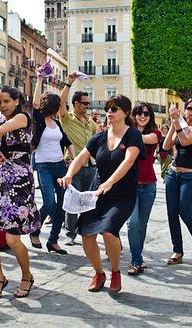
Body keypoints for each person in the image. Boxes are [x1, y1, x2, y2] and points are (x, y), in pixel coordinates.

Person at [58, 95, 145, 293]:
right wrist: (69, 175)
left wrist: (110, 182)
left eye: (114, 109)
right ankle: (99, 273)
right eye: (108, 108)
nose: (110, 112)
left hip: (122, 194)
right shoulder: (99, 136)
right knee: (87, 235)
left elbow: (128, 161)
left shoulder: (132, 135)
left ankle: (115, 272)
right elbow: (80, 157)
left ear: (125, 112)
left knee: (109, 232)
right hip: (98, 192)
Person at [0, 79, 41, 299]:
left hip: (21, 178)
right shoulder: (0, 118)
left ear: (17, 101)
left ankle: (26, 276)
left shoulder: (23, 117)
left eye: (6, 101)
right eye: (0, 102)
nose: (2, 105)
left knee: (13, 238)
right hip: (3, 177)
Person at [29, 71, 75, 254]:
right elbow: (34, 102)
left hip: (59, 166)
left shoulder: (56, 123)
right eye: (58, 105)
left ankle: (53, 240)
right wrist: (40, 79)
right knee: (49, 204)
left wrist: (72, 158)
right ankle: (35, 230)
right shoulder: (39, 120)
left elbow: (66, 141)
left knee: (62, 205)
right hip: (43, 166)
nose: (60, 108)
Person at [162, 99, 192, 265]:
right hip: (173, 175)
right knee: (172, 213)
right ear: (185, 110)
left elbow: (186, 141)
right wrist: (173, 124)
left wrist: (177, 122)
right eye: (189, 108)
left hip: (190, 176)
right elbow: (166, 146)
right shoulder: (178, 125)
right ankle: (177, 250)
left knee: (185, 212)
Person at [59, 73, 98, 245]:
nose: (87, 106)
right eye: (85, 103)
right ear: (76, 104)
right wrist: (68, 83)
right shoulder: (67, 119)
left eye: (88, 103)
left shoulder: (91, 123)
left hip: (91, 166)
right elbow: (61, 103)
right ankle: (70, 234)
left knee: (88, 200)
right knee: (72, 201)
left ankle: (86, 230)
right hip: (73, 166)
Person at [126, 102, 160, 275]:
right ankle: (136, 260)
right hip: (130, 185)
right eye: (138, 113)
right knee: (133, 223)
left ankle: (137, 257)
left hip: (148, 185)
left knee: (142, 225)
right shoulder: (127, 132)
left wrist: (127, 131)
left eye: (146, 113)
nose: (142, 116)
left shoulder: (155, 133)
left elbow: (144, 139)